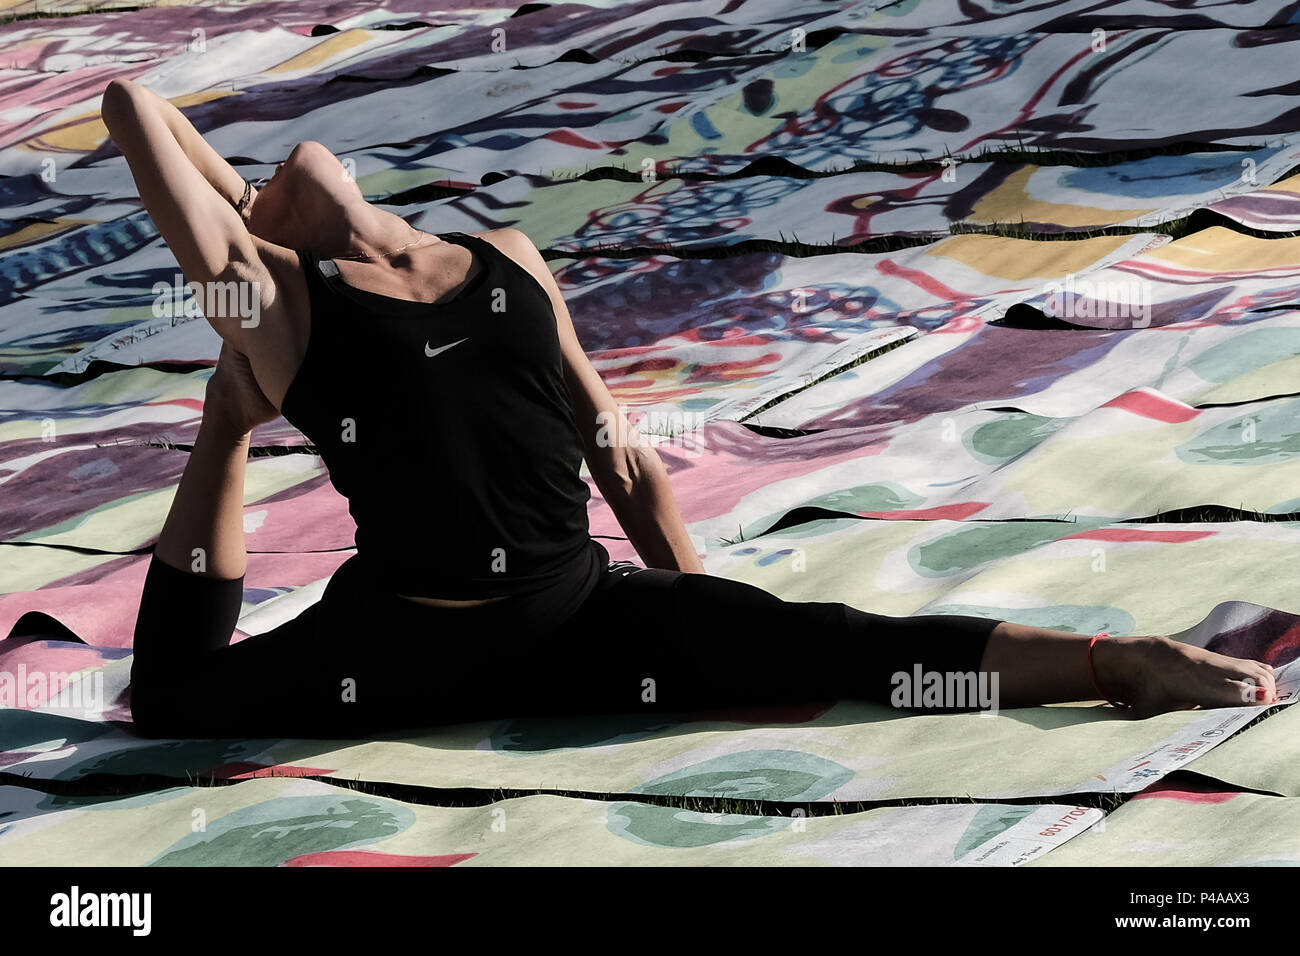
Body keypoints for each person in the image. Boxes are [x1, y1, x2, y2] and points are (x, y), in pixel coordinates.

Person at [101, 78, 1279, 740]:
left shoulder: (507, 255)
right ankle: (222, 420)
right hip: (403, 649)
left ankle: (1113, 656)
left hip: (577, 611)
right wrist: (247, 241)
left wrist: (696, 601)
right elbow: (130, 107)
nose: (303, 158)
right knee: (172, 700)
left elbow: (623, 458)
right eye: (263, 190)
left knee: (839, 641)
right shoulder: (285, 308)